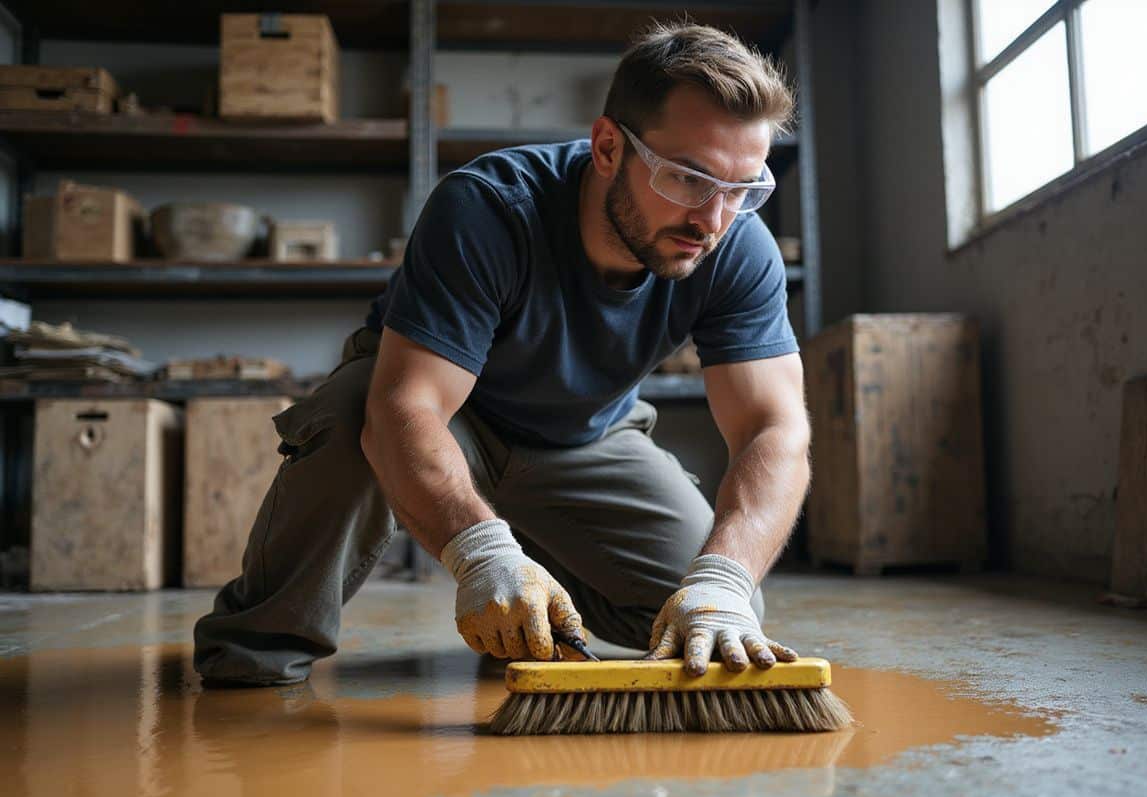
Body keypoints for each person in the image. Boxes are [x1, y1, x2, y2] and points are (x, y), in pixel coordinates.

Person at [193, 21, 811, 686]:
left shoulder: (739, 246)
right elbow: (409, 405)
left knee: (716, 607)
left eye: (743, 189)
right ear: (608, 148)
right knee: (355, 414)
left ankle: (529, 610)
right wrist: (482, 551)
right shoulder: (489, 208)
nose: (712, 220)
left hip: (585, 438)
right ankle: (254, 653)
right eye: (689, 178)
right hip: (448, 419)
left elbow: (773, 428)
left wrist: (722, 579)